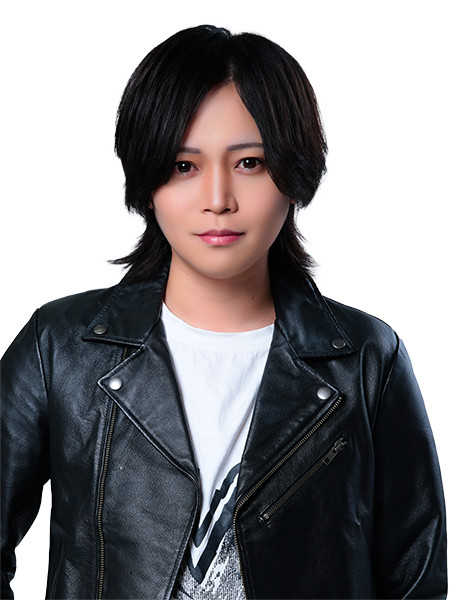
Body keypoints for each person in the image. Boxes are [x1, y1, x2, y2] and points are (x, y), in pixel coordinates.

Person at [1, 24, 446, 600]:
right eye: (184, 166)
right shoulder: (61, 348)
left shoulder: (364, 359)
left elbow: (416, 580)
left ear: (293, 175)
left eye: (250, 162)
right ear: (148, 178)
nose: (217, 199)